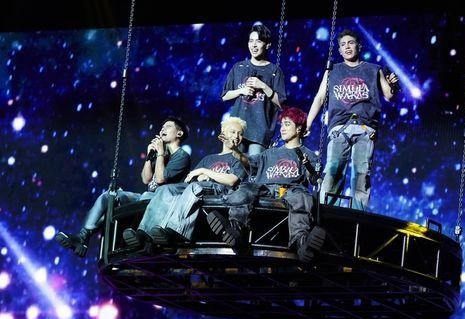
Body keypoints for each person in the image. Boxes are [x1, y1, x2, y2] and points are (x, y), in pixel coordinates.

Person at [54, 117, 192, 257]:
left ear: (179, 133)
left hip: (161, 201)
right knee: (110, 196)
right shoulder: (161, 154)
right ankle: (83, 236)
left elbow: (161, 179)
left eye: (168, 126)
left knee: (139, 198)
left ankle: (84, 238)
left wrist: (161, 153)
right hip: (146, 196)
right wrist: (149, 156)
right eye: (162, 127)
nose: (163, 129)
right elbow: (146, 179)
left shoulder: (182, 156)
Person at [209, 107, 325, 262]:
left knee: (302, 198)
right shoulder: (269, 153)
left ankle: (301, 242)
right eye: (282, 125)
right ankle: (235, 230)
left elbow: (313, 178)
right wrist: (236, 151)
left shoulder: (308, 154)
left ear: (298, 129)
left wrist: (309, 167)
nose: (282, 128)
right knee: (245, 189)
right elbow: (249, 162)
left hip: (291, 190)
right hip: (266, 189)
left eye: (287, 124)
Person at [122, 117, 250, 251]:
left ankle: (175, 231)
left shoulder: (242, 158)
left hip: (220, 191)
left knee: (195, 187)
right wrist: (200, 175)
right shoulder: (208, 158)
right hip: (198, 186)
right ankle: (144, 233)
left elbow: (232, 180)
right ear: (223, 133)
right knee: (165, 189)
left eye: (240, 134)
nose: (237, 136)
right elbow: (190, 179)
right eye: (233, 132)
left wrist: (205, 172)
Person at [306, 29, 399, 211]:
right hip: (339, 127)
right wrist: (308, 122)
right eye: (343, 45)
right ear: (339, 50)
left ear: (359, 46)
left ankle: (358, 215)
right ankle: (326, 211)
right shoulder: (332, 70)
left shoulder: (374, 69)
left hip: (365, 128)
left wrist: (394, 85)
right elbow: (320, 97)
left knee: (362, 174)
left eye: (350, 43)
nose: (347, 47)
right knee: (333, 170)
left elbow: (389, 95)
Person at [222, 23, 287, 156]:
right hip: (236, 129)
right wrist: (241, 91)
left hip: (259, 131)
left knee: (254, 165)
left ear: (267, 45)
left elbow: (280, 103)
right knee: (234, 165)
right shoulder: (239, 67)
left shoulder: (274, 71)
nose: (254, 45)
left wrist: (263, 86)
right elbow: (225, 95)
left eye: (258, 41)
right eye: (251, 41)